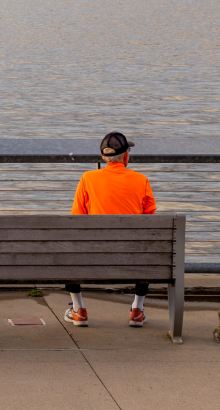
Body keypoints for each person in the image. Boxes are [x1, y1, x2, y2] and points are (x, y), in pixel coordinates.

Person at [65, 132, 157, 328]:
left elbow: (76, 221)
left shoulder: (87, 178)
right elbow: (150, 224)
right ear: (125, 156)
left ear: (103, 156)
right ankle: (137, 310)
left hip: (94, 256)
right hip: (131, 258)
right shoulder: (141, 180)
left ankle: (79, 310)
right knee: (146, 248)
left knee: (68, 248)